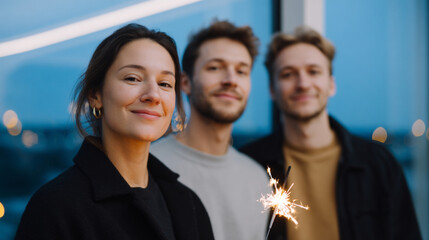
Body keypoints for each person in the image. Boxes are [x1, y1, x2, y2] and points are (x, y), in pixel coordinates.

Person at [15, 23, 214, 240]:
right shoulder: (55, 206)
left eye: (165, 83)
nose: (153, 95)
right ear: (95, 96)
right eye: (133, 78)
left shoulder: (187, 203)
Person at [240, 26, 422, 240]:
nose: (303, 83)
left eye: (314, 72)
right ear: (272, 89)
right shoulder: (250, 165)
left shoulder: (378, 164)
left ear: (331, 84)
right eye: (288, 74)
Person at [150, 20, 270, 240]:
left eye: (241, 71)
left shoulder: (258, 178)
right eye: (215, 67)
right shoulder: (149, 167)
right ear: (185, 82)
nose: (231, 80)